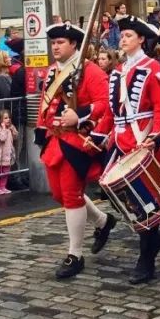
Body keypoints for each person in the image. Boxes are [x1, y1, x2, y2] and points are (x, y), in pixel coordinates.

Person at [36, 21, 115, 280]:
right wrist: (40, 128)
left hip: (75, 142)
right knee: (60, 195)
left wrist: (79, 115)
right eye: (53, 42)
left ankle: (75, 254)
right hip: (54, 140)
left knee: (71, 195)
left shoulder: (90, 71)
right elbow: (46, 103)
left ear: (74, 45)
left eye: (60, 43)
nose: (55, 47)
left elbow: (104, 103)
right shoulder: (52, 71)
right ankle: (103, 222)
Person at [106, 15, 160, 284]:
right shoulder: (118, 71)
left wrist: (154, 137)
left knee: (146, 204)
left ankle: (147, 260)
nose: (123, 40)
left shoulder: (153, 68)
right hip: (121, 142)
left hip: (143, 141)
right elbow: (114, 112)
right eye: (121, 36)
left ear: (142, 39)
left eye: (129, 36)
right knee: (125, 201)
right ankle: (154, 240)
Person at [0, 109, 19, 194]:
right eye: (6, 118)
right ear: (0, 120)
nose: (8, 120)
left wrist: (12, 128)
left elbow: (16, 136)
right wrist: (4, 129)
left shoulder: (9, 128)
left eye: (9, 118)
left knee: (6, 172)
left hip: (8, 154)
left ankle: (3, 186)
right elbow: (2, 138)